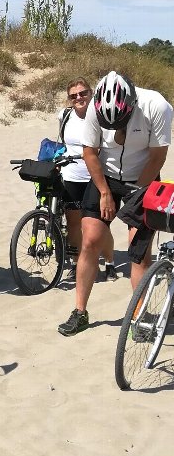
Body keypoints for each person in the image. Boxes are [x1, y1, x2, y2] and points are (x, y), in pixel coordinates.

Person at [57, 70, 172, 336]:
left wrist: (136, 195)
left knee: (138, 251)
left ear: (132, 105)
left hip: (142, 177)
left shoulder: (157, 106)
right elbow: (89, 153)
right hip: (105, 176)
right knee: (90, 240)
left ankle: (140, 315)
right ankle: (80, 312)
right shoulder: (96, 106)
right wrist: (104, 192)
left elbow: (157, 156)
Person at [59, 79, 115, 279]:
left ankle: (109, 262)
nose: (79, 98)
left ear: (91, 93)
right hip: (71, 176)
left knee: (100, 225)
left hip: (97, 177)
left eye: (82, 93)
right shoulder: (65, 116)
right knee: (74, 224)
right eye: (74, 96)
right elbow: (63, 143)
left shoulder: (102, 116)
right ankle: (76, 263)